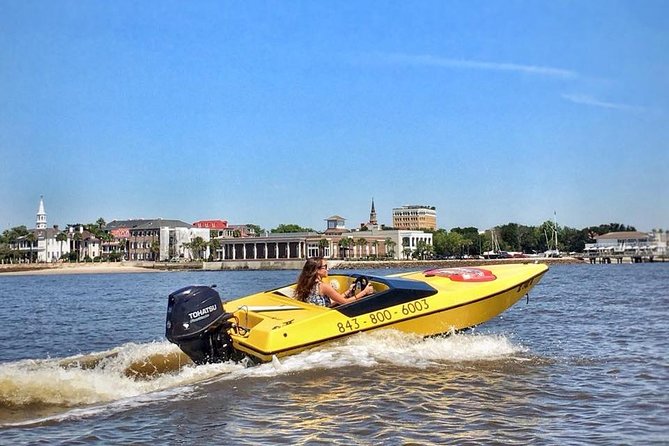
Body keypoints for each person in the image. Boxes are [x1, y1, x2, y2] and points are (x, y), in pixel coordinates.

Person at [294, 257, 374, 307]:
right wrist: (364, 292)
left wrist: (348, 291)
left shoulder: (307, 284)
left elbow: (332, 301)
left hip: (318, 313)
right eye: (325, 267)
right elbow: (345, 302)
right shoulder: (323, 286)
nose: (327, 269)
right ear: (317, 270)